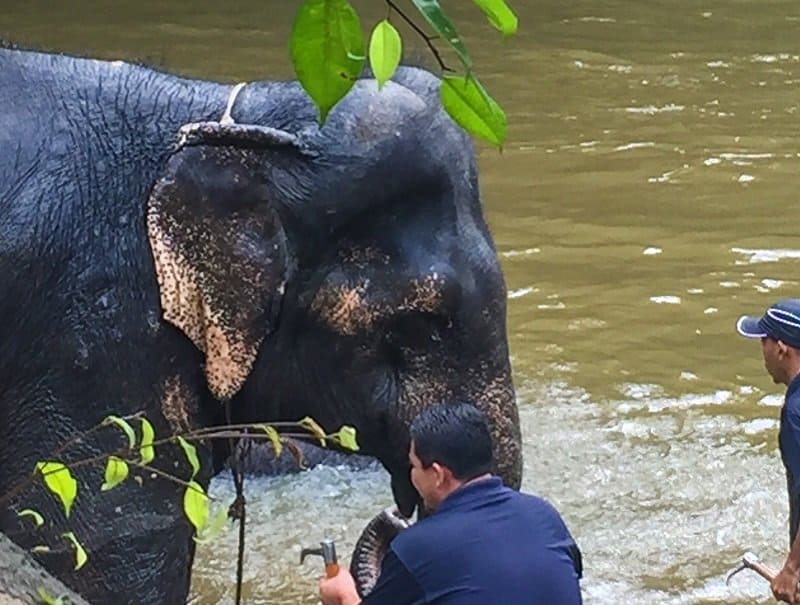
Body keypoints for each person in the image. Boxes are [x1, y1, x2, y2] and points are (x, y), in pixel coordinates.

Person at [318, 401, 583, 605]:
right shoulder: (544, 515)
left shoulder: (417, 547)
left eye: (414, 466)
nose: (411, 475)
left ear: (437, 475)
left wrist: (344, 595)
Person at [737, 298, 800, 603]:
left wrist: (790, 569)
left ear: (781, 348)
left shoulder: (795, 413)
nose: (761, 349)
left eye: (764, 339)